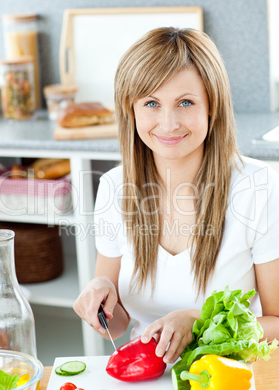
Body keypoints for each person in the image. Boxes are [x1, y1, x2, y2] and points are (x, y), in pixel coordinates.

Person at [73, 27, 279, 364]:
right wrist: (99, 300)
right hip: (148, 372)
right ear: (132, 109)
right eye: (152, 103)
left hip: (230, 373)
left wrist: (201, 322)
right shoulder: (114, 187)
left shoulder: (257, 187)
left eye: (185, 102)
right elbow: (121, 322)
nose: (168, 124)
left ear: (212, 106)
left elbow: (276, 322)